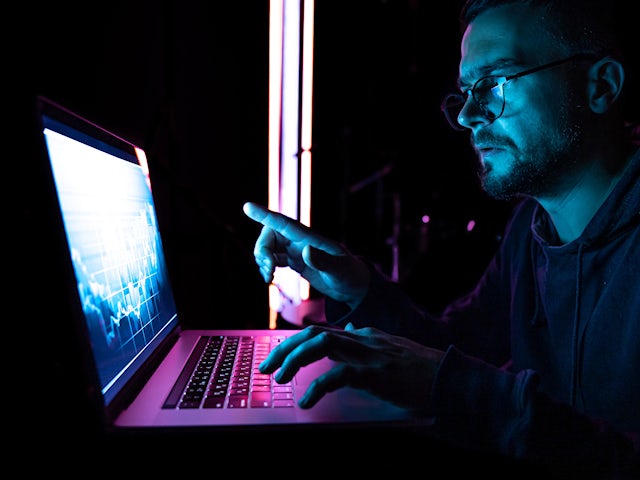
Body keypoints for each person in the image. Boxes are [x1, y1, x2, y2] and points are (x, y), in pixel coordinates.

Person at [243, 0, 639, 477]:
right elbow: (459, 348)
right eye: (467, 92)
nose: (469, 115)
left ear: (600, 86)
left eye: (495, 83)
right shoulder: (529, 227)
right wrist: (356, 285)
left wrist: (454, 388)